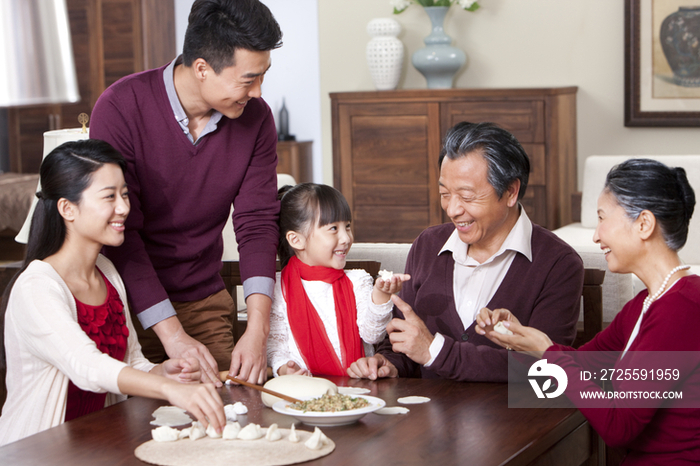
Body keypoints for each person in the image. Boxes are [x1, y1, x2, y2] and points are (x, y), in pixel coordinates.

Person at [89, 0, 283, 385]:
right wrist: (172, 335)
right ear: (201, 68)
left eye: (262, 76)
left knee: (235, 413)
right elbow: (120, 233)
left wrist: (257, 331)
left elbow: (257, 223)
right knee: (128, 431)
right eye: (248, 80)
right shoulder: (120, 108)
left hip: (204, 300)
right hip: (127, 303)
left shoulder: (256, 119)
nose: (259, 92)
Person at [0, 140, 225, 446]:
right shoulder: (37, 287)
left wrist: (162, 373)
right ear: (68, 208)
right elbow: (87, 365)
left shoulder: (106, 270)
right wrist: (169, 391)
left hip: (97, 443)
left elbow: (130, 362)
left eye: (124, 194)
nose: (124, 208)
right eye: (109, 197)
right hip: (37, 452)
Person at [476, 158, 700, 464]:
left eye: (602, 218)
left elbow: (619, 426)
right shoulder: (644, 305)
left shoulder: (683, 308)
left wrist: (548, 353)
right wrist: (522, 338)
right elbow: (583, 365)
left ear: (644, 224)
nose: (595, 236)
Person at [347, 121, 584, 382]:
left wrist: (434, 351)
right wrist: (388, 364)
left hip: (514, 421)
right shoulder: (427, 245)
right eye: (444, 193)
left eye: (467, 196)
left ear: (510, 191)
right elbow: (405, 348)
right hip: (425, 417)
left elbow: (545, 371)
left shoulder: (558, 263)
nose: (452, 209)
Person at [268, 183, 410, 377]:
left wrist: (381, 295)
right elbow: (276, 346)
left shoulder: (357, 280)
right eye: (334, 228)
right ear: (296, 240)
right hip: (304, 393)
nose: (346, 238)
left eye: (348, 227)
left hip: (357, 389)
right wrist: (284, 369)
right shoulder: (277, 288)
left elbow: (372, 335)